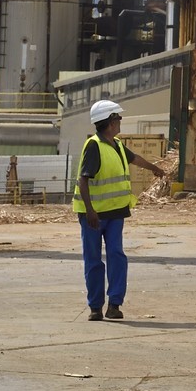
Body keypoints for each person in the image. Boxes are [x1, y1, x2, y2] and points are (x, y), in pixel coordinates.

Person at [73, 99, 171, 321]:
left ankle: (114, 305)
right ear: (110, 122)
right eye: (118, 117)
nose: (120, 121)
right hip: (94, 216)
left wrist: (156, 169)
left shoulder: (116, 144)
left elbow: (134, 159)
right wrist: (89, 211)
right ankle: (95, 307)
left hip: (116, 212)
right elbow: (83, 180)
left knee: (117, 256)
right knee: (94, 260)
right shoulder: (94, 146)